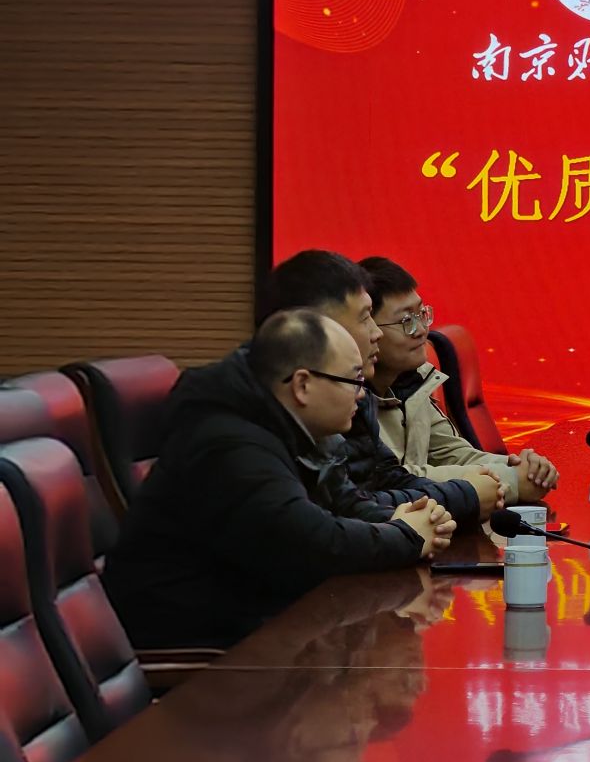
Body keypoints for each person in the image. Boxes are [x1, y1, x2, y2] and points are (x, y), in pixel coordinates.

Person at [104, 309, 455, 651]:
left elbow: (336, 506)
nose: (362, 394)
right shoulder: (231, 444)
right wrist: (407, 536)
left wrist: (398, 521)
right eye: (354, 381)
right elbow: (313, 542)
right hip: (199, 651)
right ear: (302, 385)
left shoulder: (284, 426)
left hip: (255, 628)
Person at [261, 250, 496, 524]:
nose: (377, 333)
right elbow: (330, 526)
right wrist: (466, 497)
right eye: (365, 318)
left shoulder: (381, 392)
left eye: (421, 314)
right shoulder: (251, 438)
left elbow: (370, 492)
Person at [359, 256, 558, 505]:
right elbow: (394, 480)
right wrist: (511, 480)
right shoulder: (349, 399)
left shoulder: (411, 383)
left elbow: (454, 453)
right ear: (368, 329)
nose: (421, 330)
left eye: (421, 314)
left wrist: (523, 468)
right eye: (406, 321)